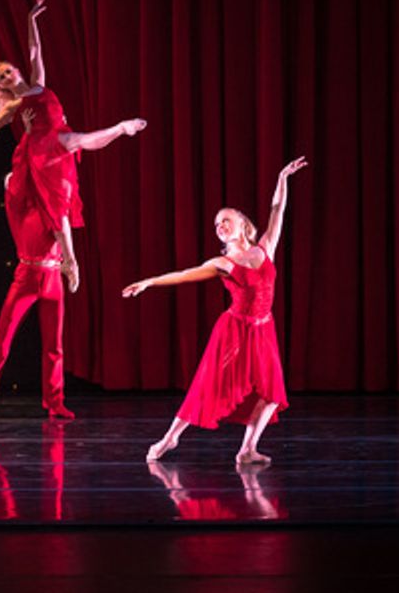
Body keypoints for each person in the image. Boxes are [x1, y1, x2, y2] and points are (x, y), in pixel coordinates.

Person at [0, 0, 145, 419]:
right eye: (1, 76)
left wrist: (30, 20)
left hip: (56, 148)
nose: (8, 75)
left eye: (9, 70)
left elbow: (36, 52)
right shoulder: (14, 106)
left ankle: (54, 403)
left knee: (72, 152)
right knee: (67, 157)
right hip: (40, 152)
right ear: (2, 86)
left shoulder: (38, 83)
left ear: (18, 72)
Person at [124, 157, 307, 464]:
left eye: (226, 220)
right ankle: (169, 439)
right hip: (234, 331)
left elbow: (277, 210)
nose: (220, 226)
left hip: (264, 329)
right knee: (208, 386)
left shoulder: (264, 248)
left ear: (242, 224)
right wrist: (149, 282)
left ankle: (247, 450)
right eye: (217, 225)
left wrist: (282, 178)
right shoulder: (222, 264)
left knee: (273, 394)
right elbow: (183, 275)